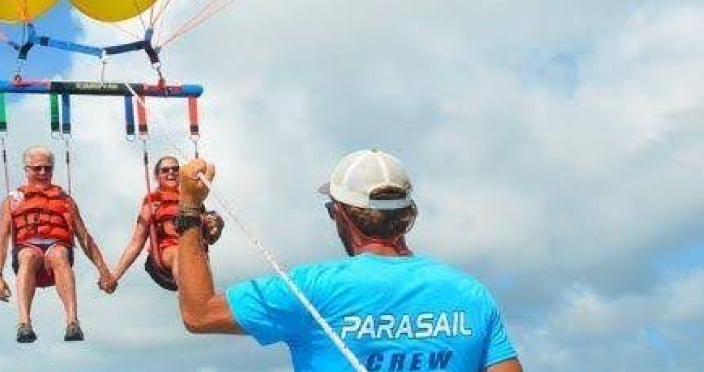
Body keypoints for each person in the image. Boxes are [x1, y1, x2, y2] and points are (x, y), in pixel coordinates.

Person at [174, 150, 523, 372]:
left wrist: (190, 207)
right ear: (408, 213)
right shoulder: (471, 294)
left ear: (340, 214)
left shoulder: (312, 288)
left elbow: (199, 313)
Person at [0, 146, 116, 343]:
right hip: (27, 249)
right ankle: (24, 323)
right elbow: (1, 240)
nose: (43, 173)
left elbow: (84, 238)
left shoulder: (66, 200)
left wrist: (103, 270)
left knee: (58, 254)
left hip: (56, 249)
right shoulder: (12, 201)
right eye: (37, 168)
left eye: (48, 168)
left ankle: (72, 322)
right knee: (29, 256)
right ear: (27, 169)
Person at [112, 155, 223, 291]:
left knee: (195, 255)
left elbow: (209, 238)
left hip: (195, 251)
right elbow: (136, 242)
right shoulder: (153, 202)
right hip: (167, 254)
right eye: (165, 170)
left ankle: (204, 301)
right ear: (157, 176)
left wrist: (216, 226)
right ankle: (189, 293)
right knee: (181, 254)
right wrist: (115, 276)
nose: (171, 172)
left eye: (175, 169)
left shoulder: (193, 200)